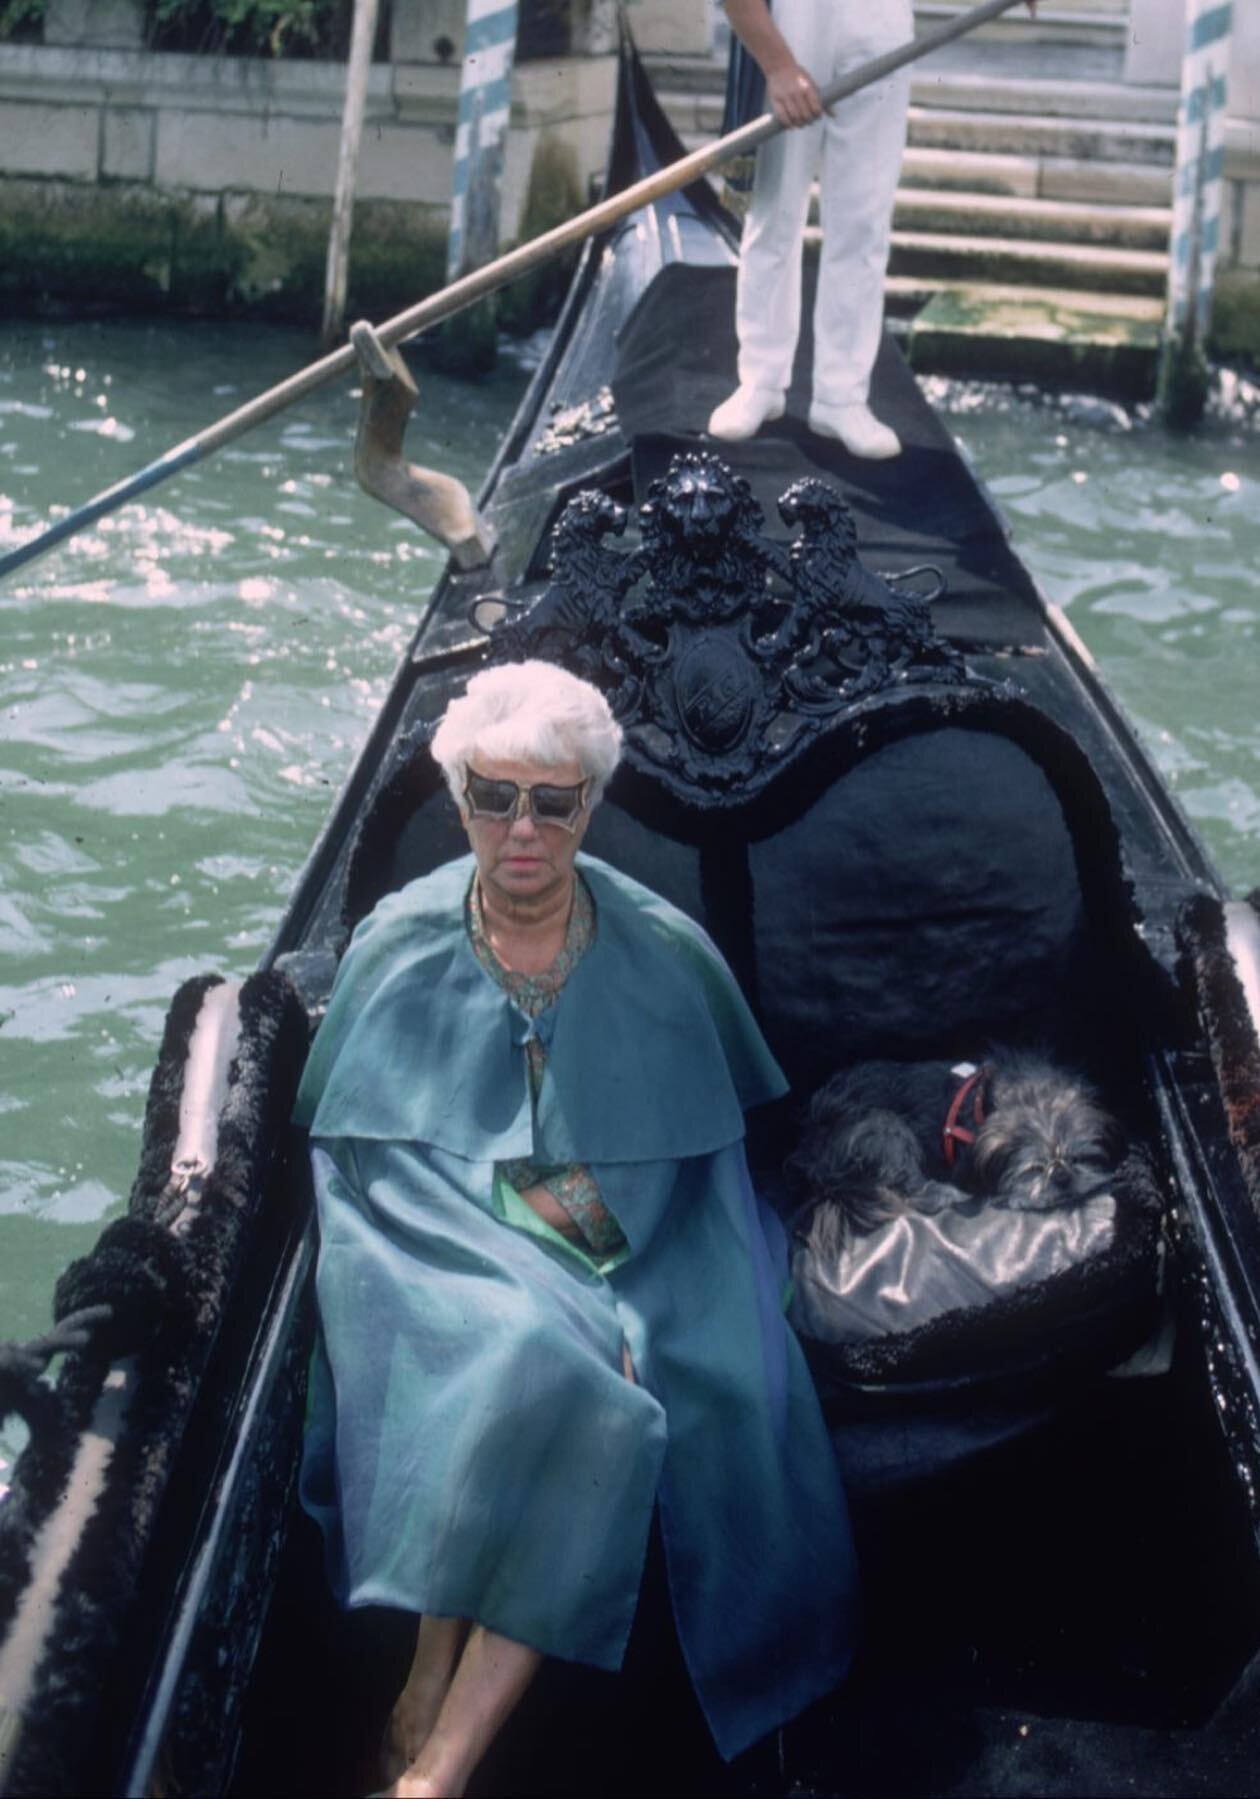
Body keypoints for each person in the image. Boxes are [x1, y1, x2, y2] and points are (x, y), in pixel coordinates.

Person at [294, 660, 858, 1797]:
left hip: (629, 1203)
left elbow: (692, 1148)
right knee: (520, 1343)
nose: (521, 828)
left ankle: (435, 1739)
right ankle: (432, 1707)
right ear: (458, 798)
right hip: (427, 1209)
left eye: (553, 801)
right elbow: (363, 1148)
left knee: (617, 1355)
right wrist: (522, 1233)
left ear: (590, 805)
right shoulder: (396, 942)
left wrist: (597, 1254)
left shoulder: (661, 943)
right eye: (494, 795)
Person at [708, 0, 917, 460]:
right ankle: (760, 381)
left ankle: (842, 398)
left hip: (879, 21)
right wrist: (779, 66)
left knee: (863, 222)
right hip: (791, 20)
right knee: (773, 210)